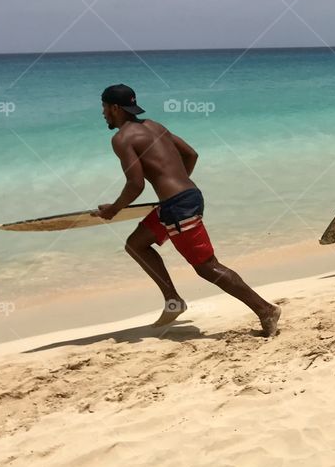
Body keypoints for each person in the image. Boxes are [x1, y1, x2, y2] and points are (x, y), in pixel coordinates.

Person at [93, 84, 281, 334]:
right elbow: (191, 154)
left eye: (104, 107)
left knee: (206, 266)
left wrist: (113, 209)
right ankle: (173, 301)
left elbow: (135, 184)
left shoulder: (121, 138)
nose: (104, 113)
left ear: (115, 108)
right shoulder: (154, 126)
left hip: (178, 207)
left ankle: (265, 309)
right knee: (136, 244)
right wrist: (179, 184)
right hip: (186, 198)